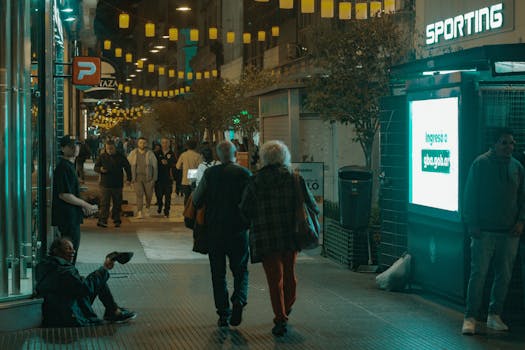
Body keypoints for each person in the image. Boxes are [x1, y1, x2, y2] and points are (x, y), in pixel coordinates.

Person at [240, 140, 319, 336]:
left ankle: (280, 318)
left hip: (266, 238)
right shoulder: (294, 178)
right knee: (290, 275)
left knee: (274, 280)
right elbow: (312, 205)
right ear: (284, 157)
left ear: (264, 158)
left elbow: (245, 209)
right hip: (291, 235)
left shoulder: (255, 180)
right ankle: (287, 306)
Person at [462, 127, 525, 335]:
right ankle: (470, 316)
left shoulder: (517, 167)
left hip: (509, 232)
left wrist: (521, 221)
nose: (509, 147)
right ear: (495, 144)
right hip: (485, 231)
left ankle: (494, 314)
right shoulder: (480, 164)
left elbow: (522, 196)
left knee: (504, 275)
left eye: (512, 143)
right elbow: (470, 194)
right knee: (478, 274)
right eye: (505, 142)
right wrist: (472, 223)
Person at [193, 141, 251, 328]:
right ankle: (239, 300)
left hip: (215, 230)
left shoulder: (210, 174)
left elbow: (196, 199)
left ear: (218, 156)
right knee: (240, 269)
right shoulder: (244, 174)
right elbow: (251, 202)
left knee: (217, 273)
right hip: (238, 230)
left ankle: (223, 313)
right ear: (235, 154)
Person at [35, 237, 136, 327]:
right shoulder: (64, 270)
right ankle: (113, 311)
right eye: (68, 248)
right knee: (98, 278)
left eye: (72, 248)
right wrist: (104, 269)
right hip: (67, 314)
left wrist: (100, 273)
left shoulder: (45, 265)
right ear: (56, 251)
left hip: (54, 309)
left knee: (98, 279)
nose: (73, 251)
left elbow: (75, 285)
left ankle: (113, 310)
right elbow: (84, 289)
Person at [52, 135, 98, 264]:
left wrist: (83, 206)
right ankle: (67, 277)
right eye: (70, 146)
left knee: (72, 249)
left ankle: (69, 275)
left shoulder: (70, 166)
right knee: (69, 251)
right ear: (62, 148)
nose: (75, 148)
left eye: (76, 145)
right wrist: (86, 205)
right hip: (67, 217)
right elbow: (64, 194)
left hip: (72, 215)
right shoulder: (63, 168)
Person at [94, 140, 132, 228]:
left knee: (117, 203)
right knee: (104, 203)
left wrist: (129, 179)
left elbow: (127, 167)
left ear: (114, 148)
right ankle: (103, 220)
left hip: (117, 184)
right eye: (107, 149)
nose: (109, 150)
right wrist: (100, 169)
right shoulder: (102, 156)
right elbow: (96, 167)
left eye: (111, 148)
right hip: (105, 184)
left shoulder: (120, 157)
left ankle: (116, 219)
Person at [128, 137, 158, 219]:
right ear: (138, 143)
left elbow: (155, 166)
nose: (142, 144)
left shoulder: (150, 153)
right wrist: (129, 178)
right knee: (139, 194)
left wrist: (154, 178)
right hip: (137, 177)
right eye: (140, 142)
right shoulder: (133, 153)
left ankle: (147, 208)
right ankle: (140, 211)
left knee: (149, 195)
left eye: (144, 143)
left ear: (147, 144)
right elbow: (128, 165)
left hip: (148, 178)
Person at [155, 137, 176, 217]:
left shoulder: (172, 153)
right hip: (159, 178)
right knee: (159, 195)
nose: (165, 144)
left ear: (169, 144)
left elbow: (174, 164)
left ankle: (167, 210)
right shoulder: (157, 153)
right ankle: (160, 205)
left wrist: (168, 163)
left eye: (166, 142)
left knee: (168, 196)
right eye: (163, 142)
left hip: (168, 178)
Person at [176, 140, 202, 205]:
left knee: (187, 197)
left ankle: (186, 212)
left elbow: (177, 166)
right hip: (194, 178)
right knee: (194, 197)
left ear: (187, 146)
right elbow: (200, 167)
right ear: (195, 146)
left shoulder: (183, 155)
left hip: (185, 179)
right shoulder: (198, 156)